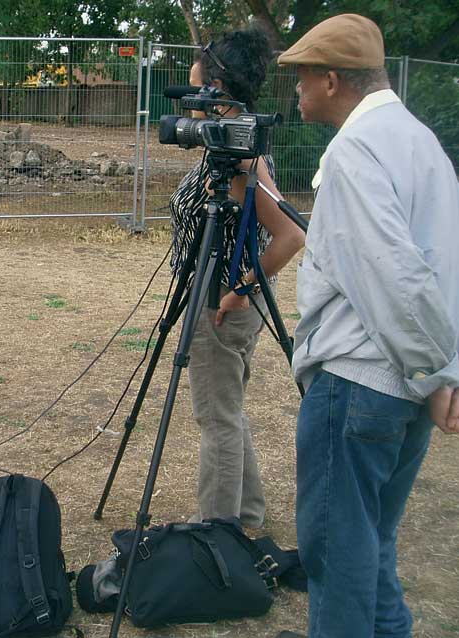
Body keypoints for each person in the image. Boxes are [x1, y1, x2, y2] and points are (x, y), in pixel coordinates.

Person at [274, 14, 459, 638]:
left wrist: (436, 374)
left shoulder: (355, 150)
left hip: (361, 384)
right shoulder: (418, 140)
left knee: (338, 555)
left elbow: (392, 277)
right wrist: (440, 371)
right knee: (371, 542)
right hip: (404, 382)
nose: (296, 92)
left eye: (301, 79)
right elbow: (440, 266)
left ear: (331, 80)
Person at [169, 27, 305, 528]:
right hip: (213, 299)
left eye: (199, 69)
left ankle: (219, 532)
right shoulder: (229, 139)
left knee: (216, 418)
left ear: (218, 82)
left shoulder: (243, 151)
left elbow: (290, 236)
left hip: (220, 306)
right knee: (226, 411)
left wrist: (238, 289)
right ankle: (245, 515)